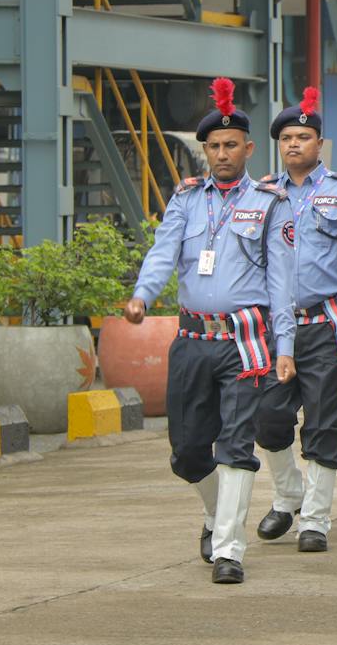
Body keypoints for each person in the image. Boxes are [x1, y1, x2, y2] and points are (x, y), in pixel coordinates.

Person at [126, 78, 297, 585]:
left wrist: (283, 346)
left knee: (236, 446)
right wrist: (141, 294)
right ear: (204, 151)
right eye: (214, 147)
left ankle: (229, 548)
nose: (222, 154)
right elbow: (163, 252)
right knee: (187, 452)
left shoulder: (270, 204)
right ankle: (213, 513)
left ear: (248, 149)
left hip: (245, 339)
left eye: (231, 146)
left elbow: (281, 283)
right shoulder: (185, 199)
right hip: (193, 340)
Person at [254, 88, 337, 554]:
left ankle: (316, 518)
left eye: (302, 137)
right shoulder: (264, 194)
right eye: (286, 137)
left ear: (319, 143)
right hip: (276, 327)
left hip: (328, 323)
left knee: (322, 422)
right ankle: (288, 495)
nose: (293, 145)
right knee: (266, 418)